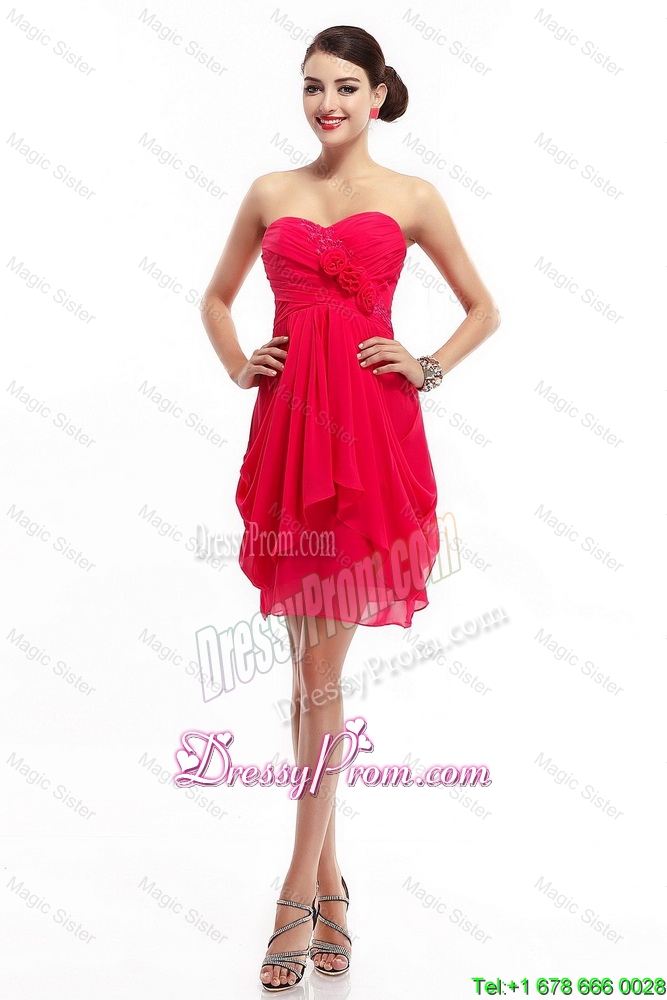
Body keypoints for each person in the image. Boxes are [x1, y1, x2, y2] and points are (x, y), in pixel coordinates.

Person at [201, 23, 500, 992]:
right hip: (290, 437)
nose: (325, 103)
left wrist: (425, 365)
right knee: (308, 676)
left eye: (343, 87)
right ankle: (330, 886)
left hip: (369, 439)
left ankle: (297, 892)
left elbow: (483, 308)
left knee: (317, 678)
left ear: (377, 95)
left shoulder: (413, 198)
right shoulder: (269, 192)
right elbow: (215, 300)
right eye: (311, 87)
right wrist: (239, 363)